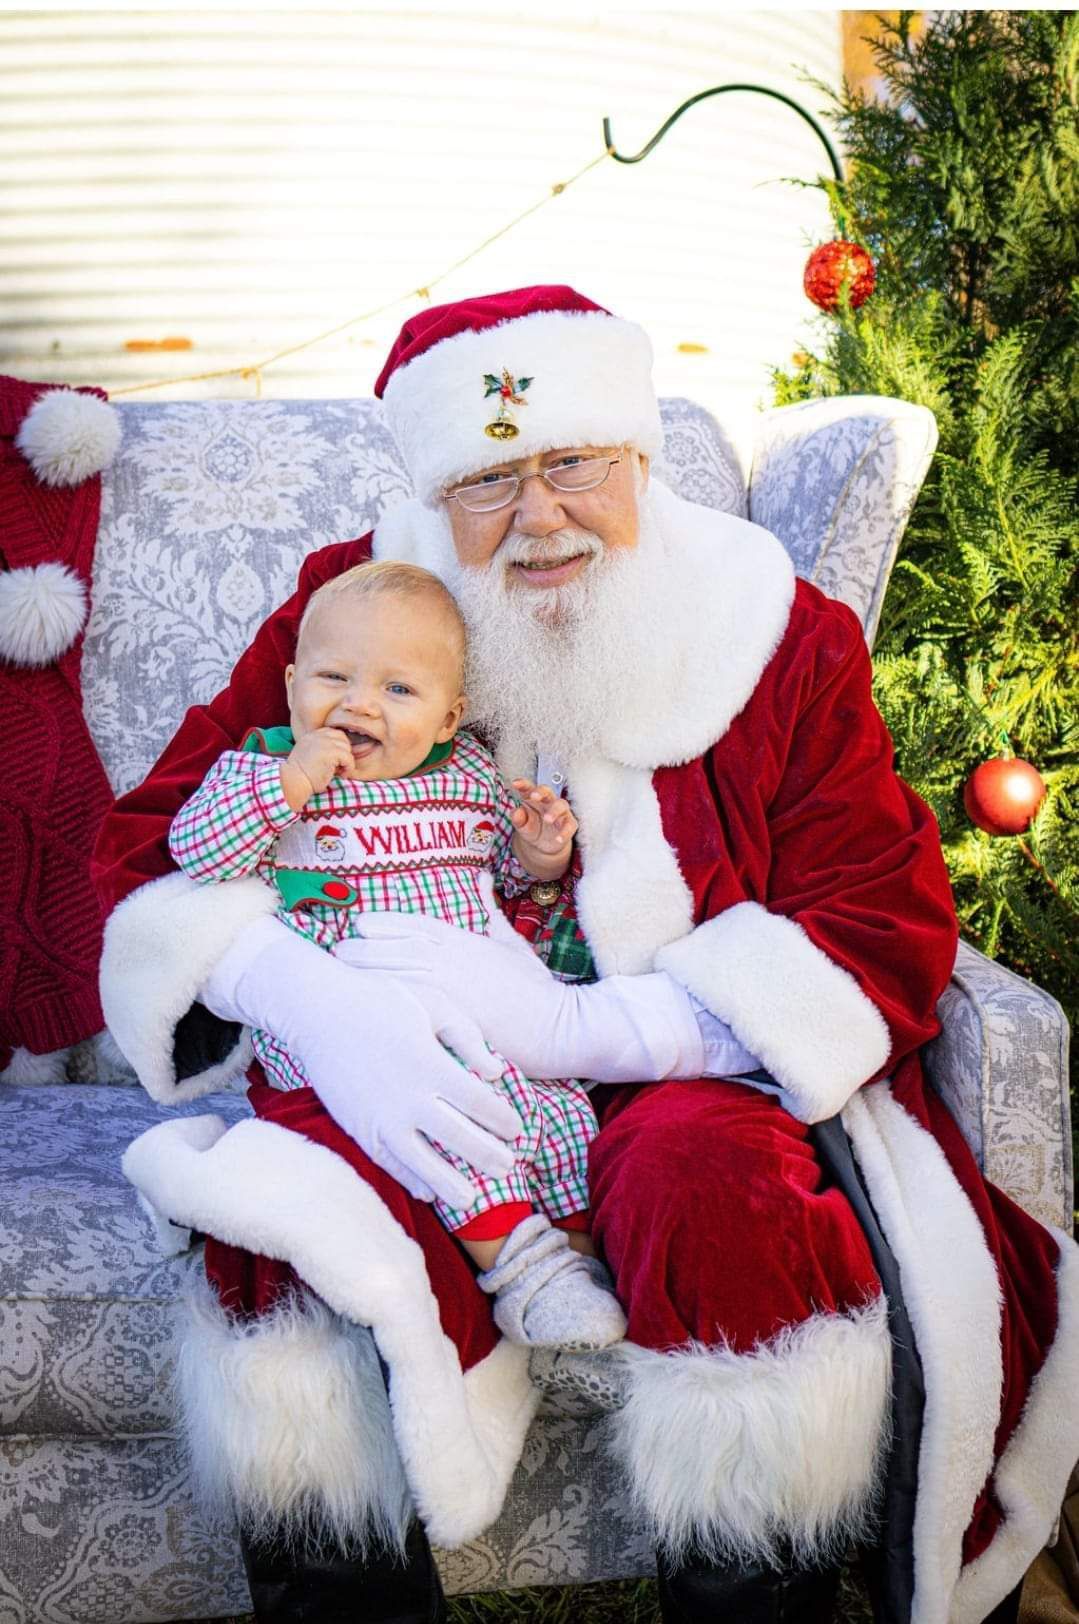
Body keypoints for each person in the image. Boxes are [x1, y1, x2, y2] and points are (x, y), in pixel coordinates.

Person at [99, 284, 1078, 1624]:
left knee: (719, 1191)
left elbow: (877, 914)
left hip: (676, 1072)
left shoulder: (774, 629)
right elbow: (157, 841)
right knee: (294, 1225)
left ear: (636, 460)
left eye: (569, 463)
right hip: (404, 1053)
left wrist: (597, 1035)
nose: (540, 514)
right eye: (489, 479)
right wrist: (307, 1002)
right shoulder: (354, 611)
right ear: (439, 497)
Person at [166, 557, 626, 1351]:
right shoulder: (260, 766)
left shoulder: (471, 776)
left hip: (477, 1012)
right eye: (333, 677)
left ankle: (575, 1267)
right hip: (347, 1033)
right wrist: (287, 784)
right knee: (442, 1133)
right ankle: (520, 1269)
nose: (356, 704)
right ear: (290, 684)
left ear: (450, 720)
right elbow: (196, 853)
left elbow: (508, 876)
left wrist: (541, 850)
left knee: (558, 1120)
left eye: (397, 690)